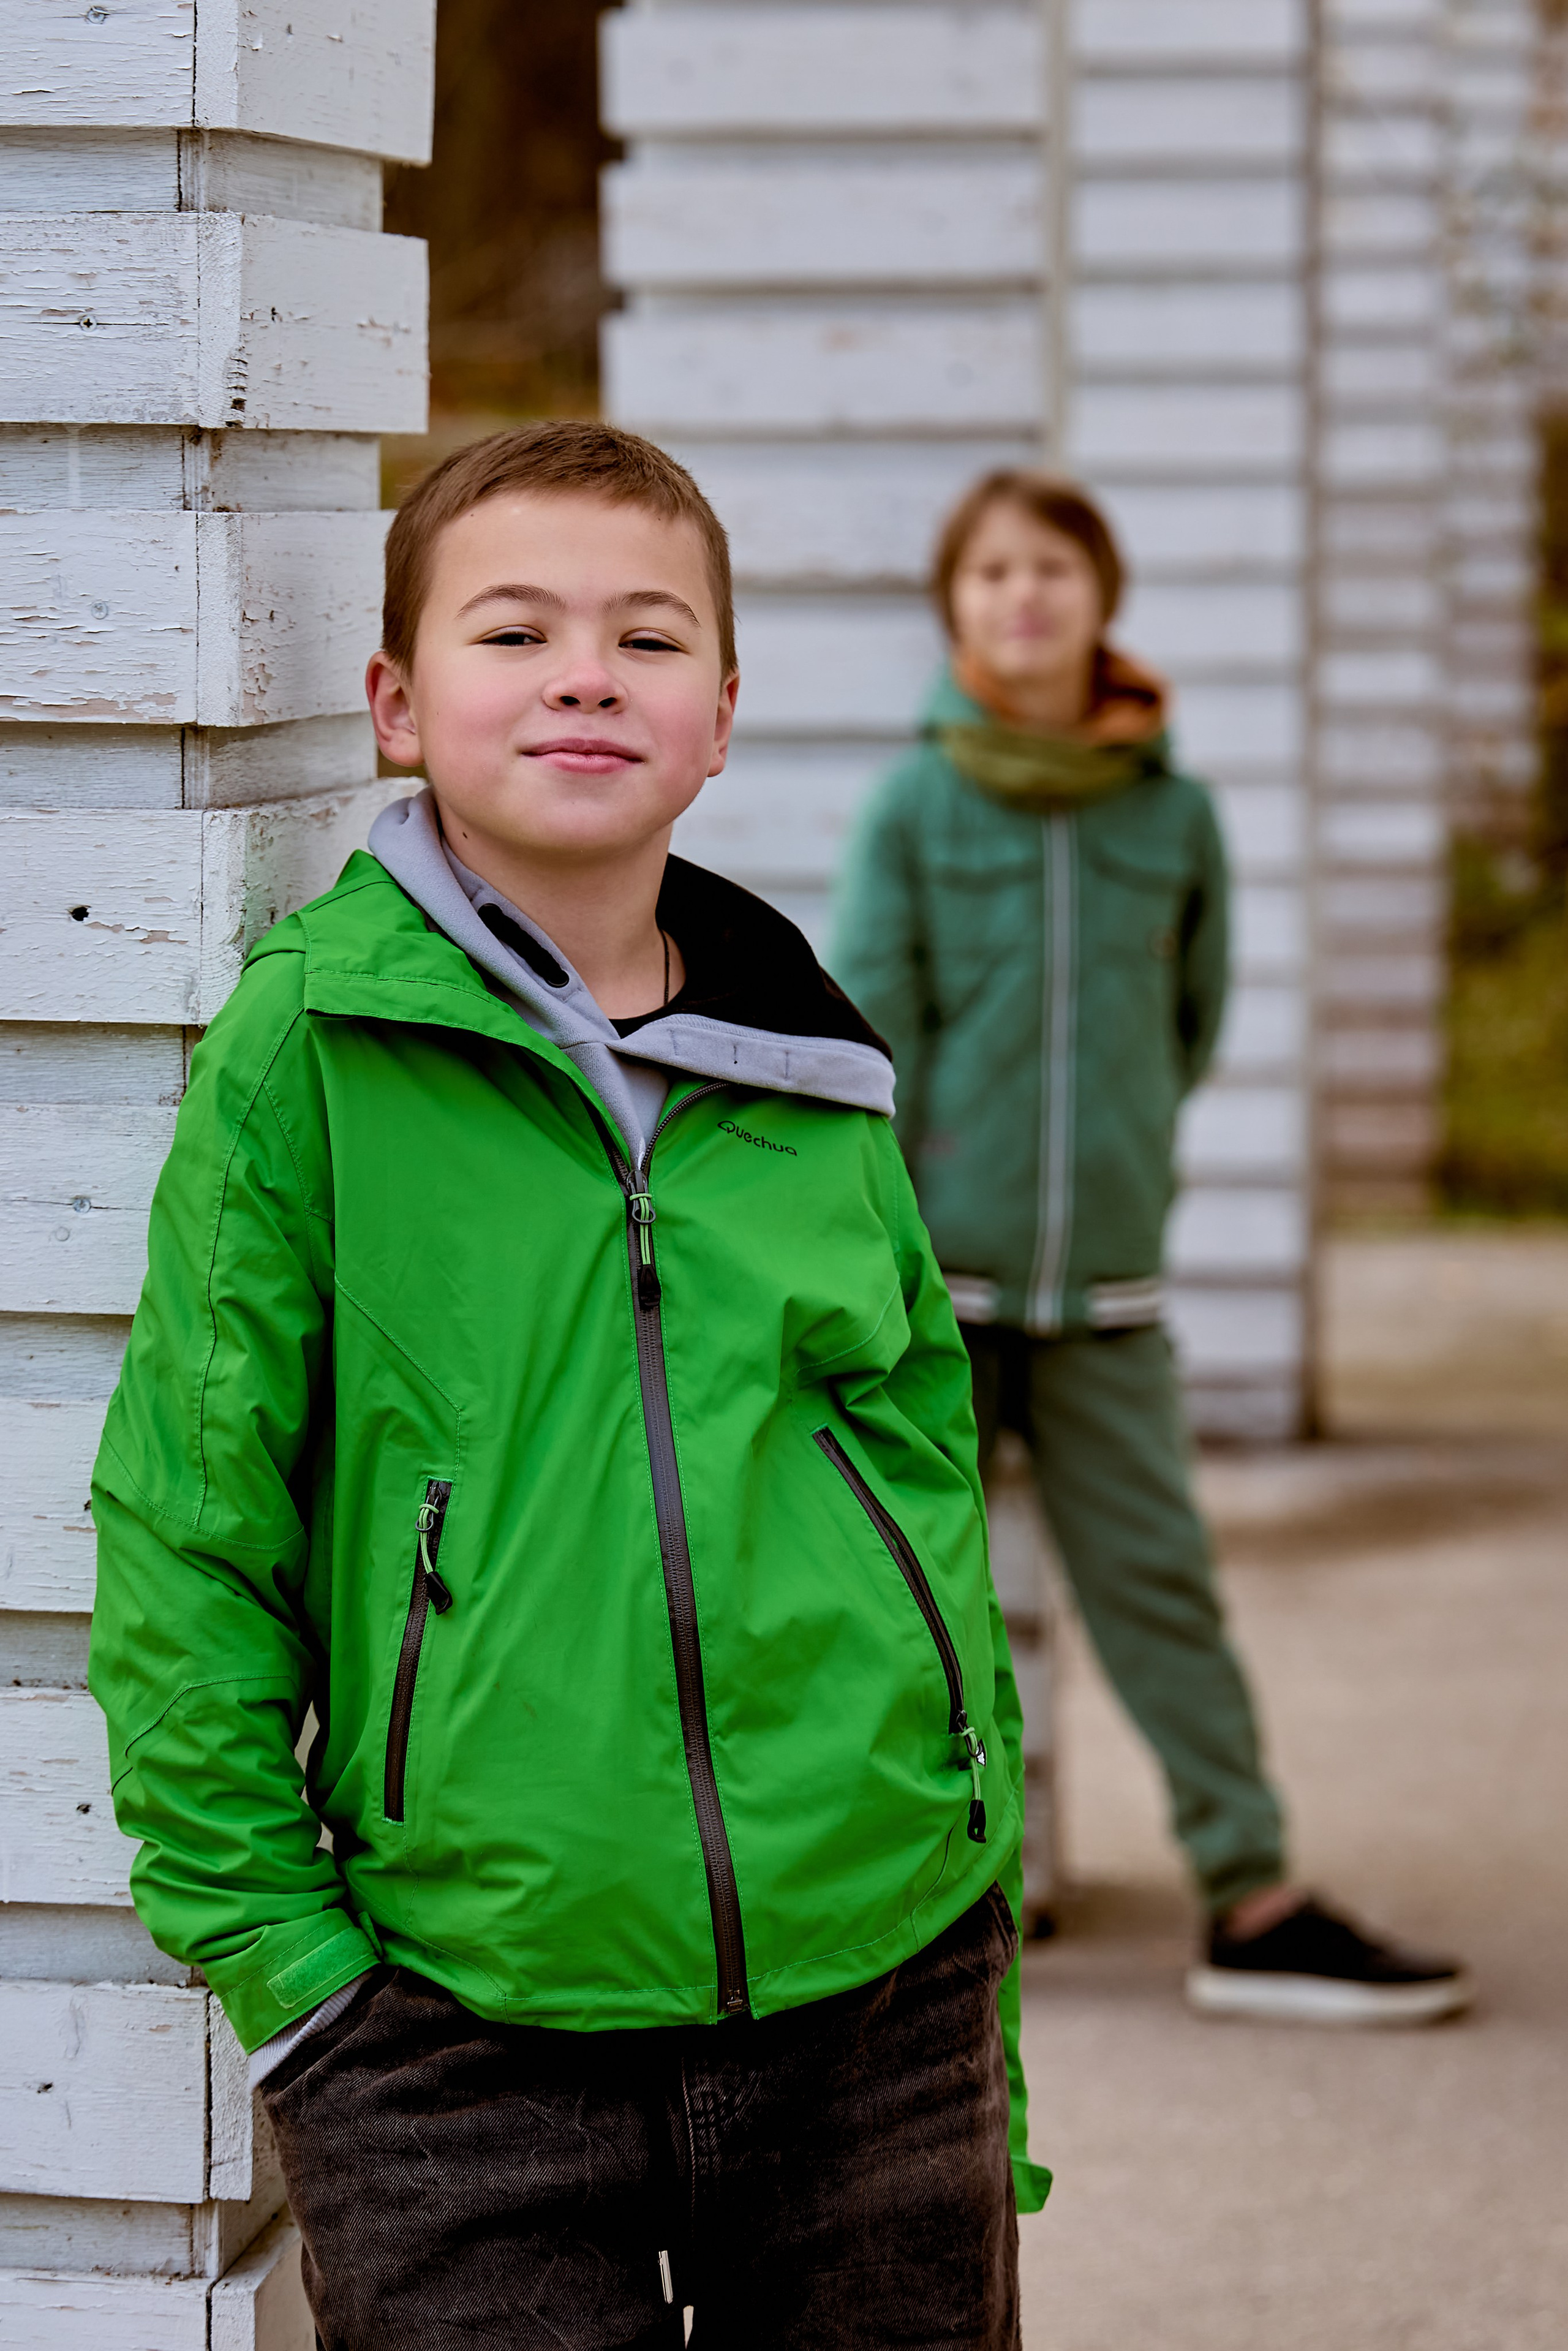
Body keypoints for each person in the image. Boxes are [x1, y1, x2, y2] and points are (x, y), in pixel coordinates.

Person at [88, 423, 1048, 2351]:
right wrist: (299, 1980)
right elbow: (192, 1529)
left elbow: (924, 1470)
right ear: (394, 703)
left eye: (649, 636)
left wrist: (964, 1874)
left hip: (877, 1990)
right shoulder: (314, 1045)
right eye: (515, 628)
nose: (587, 672)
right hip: (457, 2031)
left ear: (720, 719)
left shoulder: (813, 1072)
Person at [831, 470, 1472, 2027]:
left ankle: (1251, 1895)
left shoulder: (1169, 813)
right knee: (889, 1592)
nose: (1022, 597)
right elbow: (863, 1041)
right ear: (953, 606)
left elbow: (1186, 1032)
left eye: (1051, 568)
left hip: (1106, 1291)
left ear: (1100, 596)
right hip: (940, 1295)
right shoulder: (915, 804)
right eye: (988, 572)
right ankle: (892, 1906)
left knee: (1161, 1588)